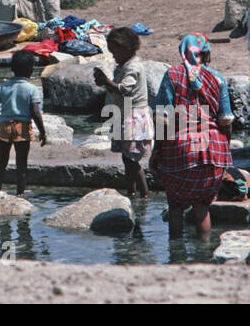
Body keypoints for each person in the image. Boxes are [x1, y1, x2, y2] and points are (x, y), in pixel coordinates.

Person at [150, 34, 233, 237]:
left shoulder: (172, 75)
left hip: (180, 150)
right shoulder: (218, 78)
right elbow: (226, 120)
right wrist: (225, 152)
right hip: (213, 149)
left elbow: (164, 118)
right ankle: (204, 255)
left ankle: (175, 258)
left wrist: (157, 151)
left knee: (176, 206)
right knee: (202, 206)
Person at [94, 26, 153, 198]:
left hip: (133, 116)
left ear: (124, 49)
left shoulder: (132, 67)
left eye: (114, 52)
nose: (113, 56)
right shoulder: (124, 65)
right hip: (126, 114)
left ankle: (134, 193)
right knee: (129, 159)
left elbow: (125, 89)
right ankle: (138, 192)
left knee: (131, 160)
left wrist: (106, 81)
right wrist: (105, 82)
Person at [0, 51, 48, 196]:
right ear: (31, 70)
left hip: (4, 126)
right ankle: (20, 193)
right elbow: (35, 112)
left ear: (12, 69)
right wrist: (43, 132)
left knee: (1, 161)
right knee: (21, 163)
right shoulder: (31, 89)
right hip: (23, 127)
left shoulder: (2, 87)